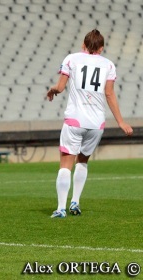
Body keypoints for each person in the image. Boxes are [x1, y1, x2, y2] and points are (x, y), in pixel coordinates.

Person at [46, 29, 133, 218]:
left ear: (83, 45)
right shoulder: (108, 65)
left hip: (75, 120)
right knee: (83, 161)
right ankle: (75, 202)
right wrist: (121, 122)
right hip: (96, 123)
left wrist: (53, 90)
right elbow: (109, 94)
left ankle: (61, 208)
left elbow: (60, 87)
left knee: (65, 164)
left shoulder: (72, 59)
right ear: (101, 48)